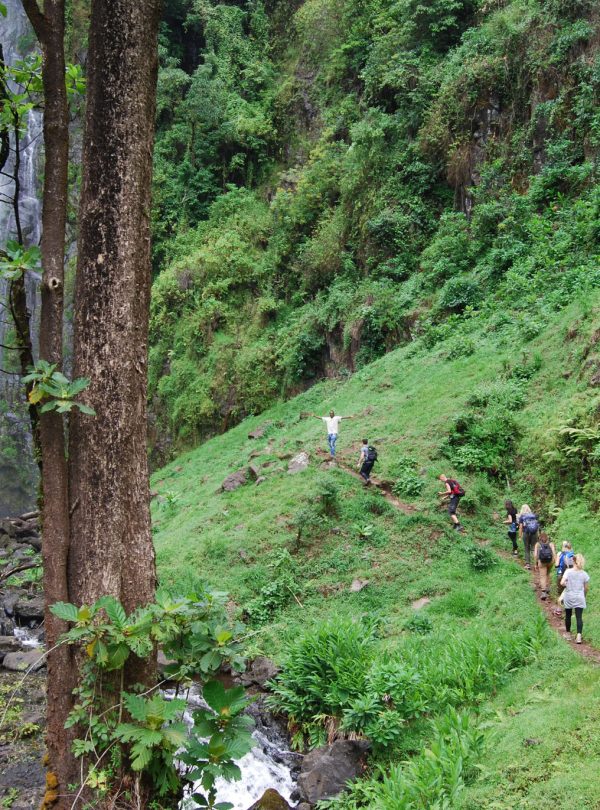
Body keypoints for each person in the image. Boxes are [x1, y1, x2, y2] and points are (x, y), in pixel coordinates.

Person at [561, 554, 590, 644]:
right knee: (579, 617)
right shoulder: (584, 574)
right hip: (579, 597)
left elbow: (562, 583)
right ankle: (579, 637)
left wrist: (566, 584)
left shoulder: (568, 572)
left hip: (569, 596)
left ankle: (568, 634)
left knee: (568, 615)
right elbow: (586, 588)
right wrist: (584, 595)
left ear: (573, 561)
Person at [554, 541, 575, 616]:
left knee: (560, 592)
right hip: (570, 577)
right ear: (570, 547)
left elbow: (556, 565)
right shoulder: (573, 555)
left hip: (561, 575)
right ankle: (569, 610)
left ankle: (559, 609)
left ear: (564, 547)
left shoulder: (560, 554)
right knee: (569, 592)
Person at [534, 532, 556, 600]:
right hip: (550, 561)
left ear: (540, 538)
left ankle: (543, 592)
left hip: (542, 562)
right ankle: (548, 588)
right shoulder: (551, 543)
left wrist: (535, 563)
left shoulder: (537, 544)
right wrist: (554, 562)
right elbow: (554, 553)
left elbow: (535, 555)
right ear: (547, 537)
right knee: (547, 574)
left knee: (542, 576)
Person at [518, 504, 539, 570]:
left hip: (526, 533)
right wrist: (538, 534)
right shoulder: (534, 515)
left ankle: (528, 565)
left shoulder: (522, 517)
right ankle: (537, 563)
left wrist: (520, 536)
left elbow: (520, 527)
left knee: (527, 548)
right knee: (534, 549)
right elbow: (537, 526)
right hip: (534, 533)